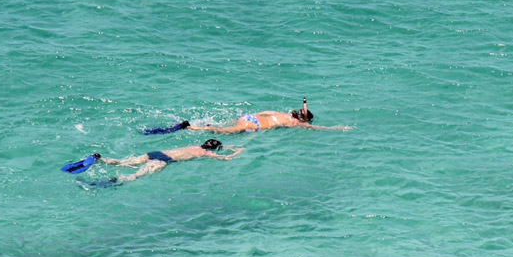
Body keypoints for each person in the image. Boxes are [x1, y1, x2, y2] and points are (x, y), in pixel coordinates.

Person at [99, 139, 243, 183]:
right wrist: (238, 151)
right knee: (137, 175)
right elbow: (226, 158)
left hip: (157, 153)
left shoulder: (195, 146)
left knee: (125, 162)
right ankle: (117, 180)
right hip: (165, 160)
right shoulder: (205, 153)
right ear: (214, 149)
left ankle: (101, 159)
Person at [187, 98, 351, 134]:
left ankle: (209, 125)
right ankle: (198, 127)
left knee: (230, 125)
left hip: (249, 117)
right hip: (254, 125)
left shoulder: (283, 114)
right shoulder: (292, 122)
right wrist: (337, 128)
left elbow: (265, 112)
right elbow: (315, 127)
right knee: (227, 131)